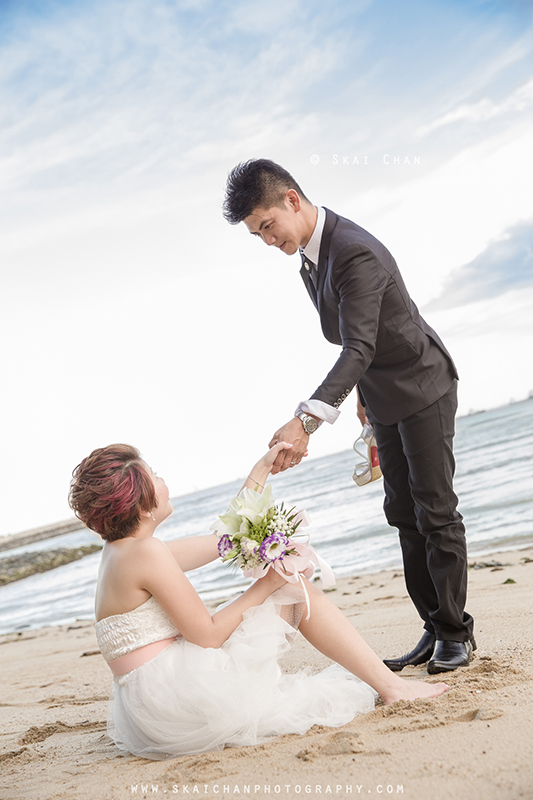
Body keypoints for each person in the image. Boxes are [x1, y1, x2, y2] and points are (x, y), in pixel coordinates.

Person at [222, 159, 475, 674]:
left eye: (267, 226)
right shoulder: (310, 261)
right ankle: (434, 625)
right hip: (381, 396)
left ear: (292, 199)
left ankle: (456, 633)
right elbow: (357, 339)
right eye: (257, 234)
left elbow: (358, 345)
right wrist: (362, 394)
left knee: (436, 511)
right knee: (403, 514)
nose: (267, 240)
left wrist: (305, 421)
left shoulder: (353, 250)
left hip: (423, 385)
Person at [69, 442, 448, 760]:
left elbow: (227, 538)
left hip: (150, 700)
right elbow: (207, 636)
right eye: (156, 475)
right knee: (297, 593)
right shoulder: (146, 553)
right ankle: (393, 688)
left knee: (287, 589)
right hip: (177, 700)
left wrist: (260, 471)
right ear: (143, 502)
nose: (164, 479)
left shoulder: (125, 551)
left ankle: (387, 684)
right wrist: (266, 585)